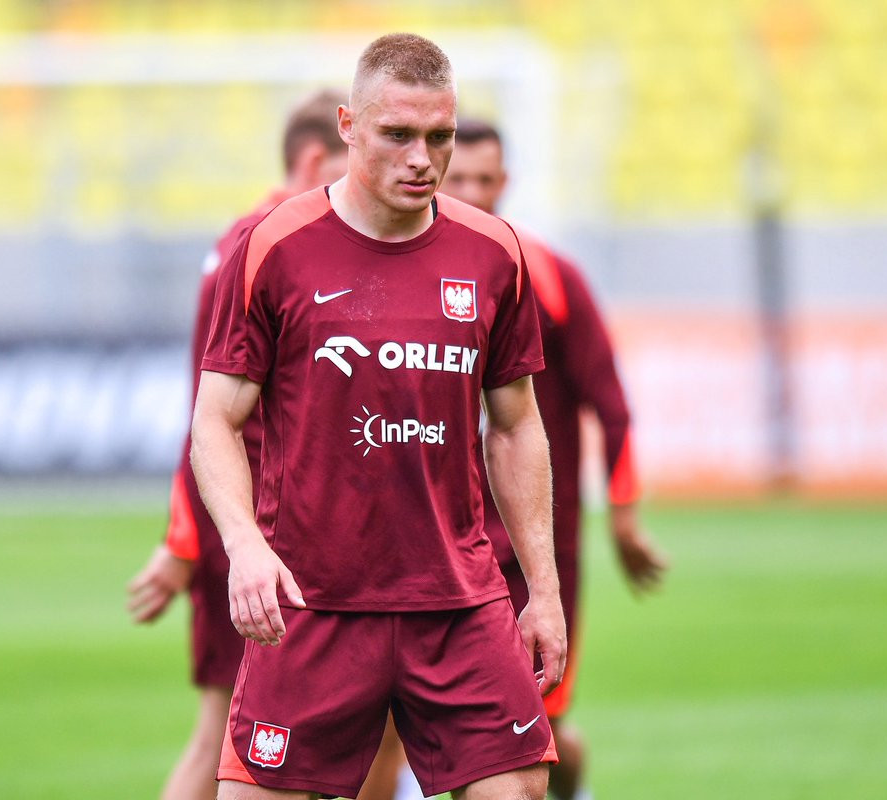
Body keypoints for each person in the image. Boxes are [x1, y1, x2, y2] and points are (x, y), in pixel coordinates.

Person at [190, 33, 566, 800]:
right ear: (348, 127)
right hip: (312, 601)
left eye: (439, 136)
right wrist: (245, 544)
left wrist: (544, 588)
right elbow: (214, 421)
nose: (422, 159)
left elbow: (515, 425)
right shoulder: (274, 247)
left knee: (521, 788)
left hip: (458, 603)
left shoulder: (493, 253)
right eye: (397, 134)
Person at [126, 88, 349, 800]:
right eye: (350, 165)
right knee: (229, 735)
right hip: (252, 531)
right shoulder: (267, 244)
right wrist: (186, 542)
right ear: (313, 160)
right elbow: (209, 415)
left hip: (279, 527)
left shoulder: (251, 239)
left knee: (318, 735)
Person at [438, 118, 667, 800]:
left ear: (505, 182)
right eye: (459, 179)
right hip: (439, 539)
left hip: (535, 543)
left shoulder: (551, 278)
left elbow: (612, 405)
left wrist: (623, 517)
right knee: (429, 722)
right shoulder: (404, 277)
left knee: (538, 727)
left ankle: (572, 785)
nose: (472, 193)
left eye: (485, 179)